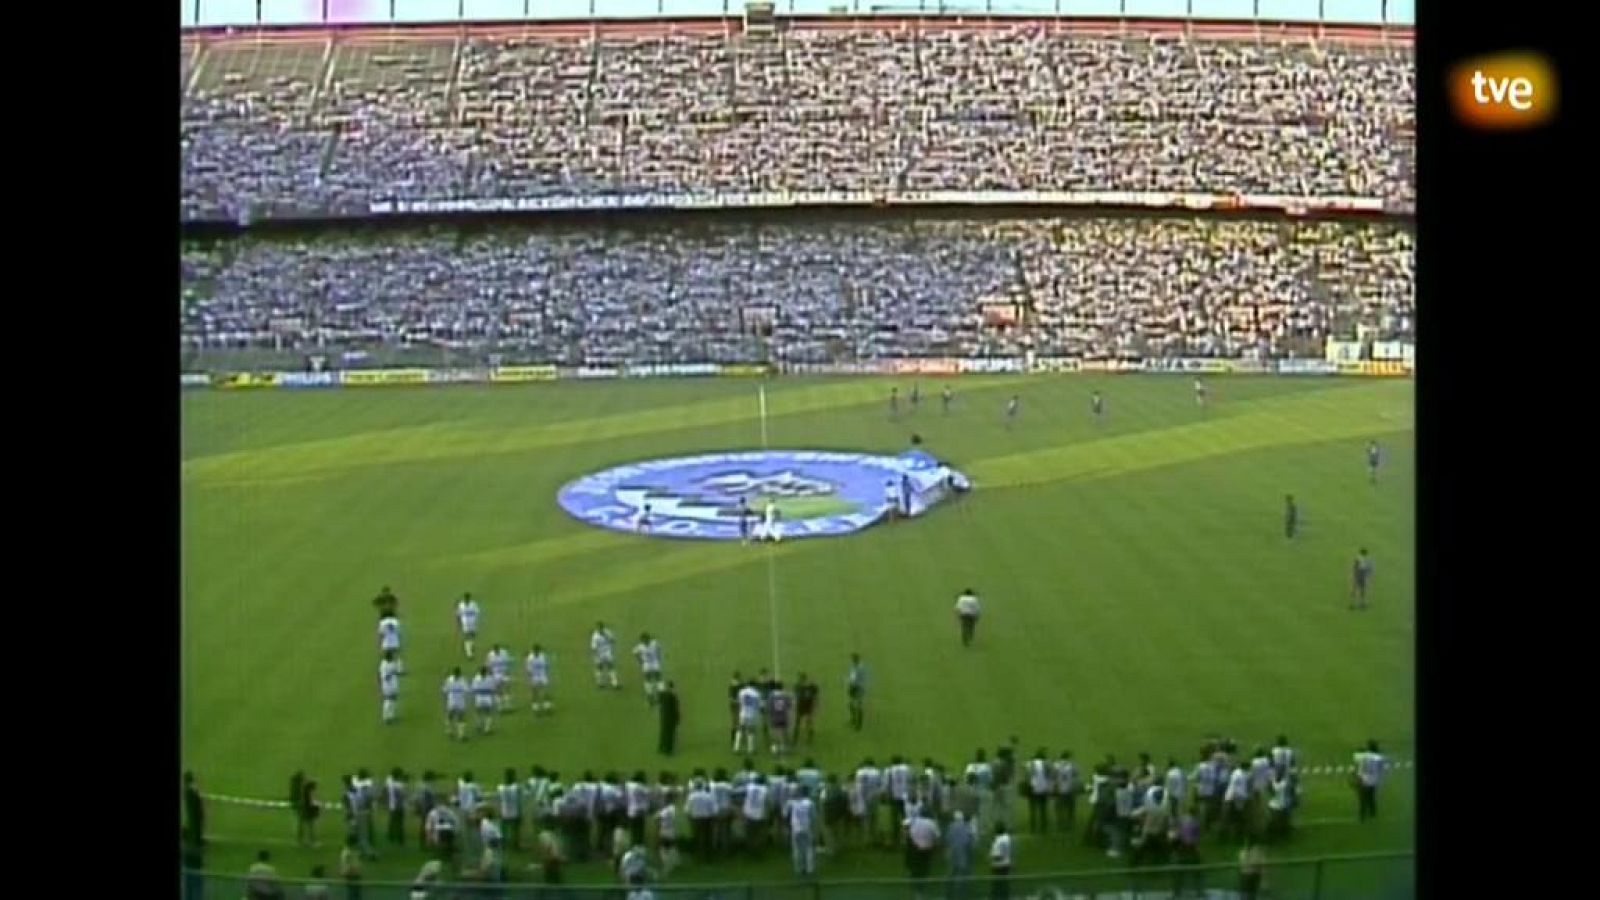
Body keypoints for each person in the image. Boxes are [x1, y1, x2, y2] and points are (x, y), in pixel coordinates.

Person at [1353, 740, 1386, 821]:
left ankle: (1362, 815)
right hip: (1373, 780)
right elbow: (1380, 768)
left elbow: (1357, 759)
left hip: (1364, 780)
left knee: (1363, 799)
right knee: (1371, 797)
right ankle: (1372, 813)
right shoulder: (1379, 757)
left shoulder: (1364, 756)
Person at [946, 810, 975, 898]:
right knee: (963, 872)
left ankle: (950, 892)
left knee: (952, 872)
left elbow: (948, 839)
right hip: (963, 852)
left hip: (954, 852)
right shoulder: (966, 826)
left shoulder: (951, 826)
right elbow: (969, 840)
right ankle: (963, 893)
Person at [633, 633, 664, 705]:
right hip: (653, 663)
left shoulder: (640, 646)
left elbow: (635, 653)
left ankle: (650, 696)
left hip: (647, 664)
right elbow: (659, 649)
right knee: (658, 679)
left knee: (649, 680)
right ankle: (659, 695)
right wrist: (658, 657)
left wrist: (640, 661)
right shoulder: (654, 643)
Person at [1053, 752, 1079, 833]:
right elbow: (1076, 773)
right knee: (1070, 809)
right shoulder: (1071, 765)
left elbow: (1052, 775)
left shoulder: (1056, 765)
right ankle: (1070, 825)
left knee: (1059, 809)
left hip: (1059, 790)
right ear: (1068, 757)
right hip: (1069, 790)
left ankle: (1060, 825)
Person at [591, 622, 620, 689]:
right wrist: (596, 655)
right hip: (599, 653)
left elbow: (613, 640)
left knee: (611, 666)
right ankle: (600, 683)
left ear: (603, 627)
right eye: (598, 628)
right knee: (599, 668)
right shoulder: (595, 636)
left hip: (607, 652)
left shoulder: (607, 632)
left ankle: (615, 683)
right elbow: (594, 647)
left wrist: (608, 637)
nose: (599, 629)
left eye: (601, 628)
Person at [988, 824, 1014, 900]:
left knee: (998, 886)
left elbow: (998, 855)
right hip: (1006, 864)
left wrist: (992, 857)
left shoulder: (998, 841)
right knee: (1004, 885)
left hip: (999, 866)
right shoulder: (1007, 838)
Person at [526, 644, 553, 715]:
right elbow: (528, 670)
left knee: (545, 691)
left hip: (542, 675)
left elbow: (547, 666)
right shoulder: (530, 658)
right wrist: (530, 678)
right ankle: (535, 708)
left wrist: (547, 675)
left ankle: (547, 707)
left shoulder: (543, 656)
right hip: (534, 677)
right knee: (535, 692)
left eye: (537, 651)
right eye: (535, 651)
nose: (536, 652)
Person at [443, 668, 468, 741]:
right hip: (460, 702)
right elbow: (466, 690)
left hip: (451, 701)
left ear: (453, 673)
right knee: (461, 719)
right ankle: (461, 735)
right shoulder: (462, 680)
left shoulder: (449, 679)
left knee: (450, 717)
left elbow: (444, 690)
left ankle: (449, 730)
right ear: (460, 673)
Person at [793, 673, 818, 745]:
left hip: (804, 706)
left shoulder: (800, 687)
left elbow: (814, 697)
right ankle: (800, 736)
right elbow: (815, 697)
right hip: (805, 706)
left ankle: (805, 736)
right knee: (803, 721)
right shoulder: (808, 687)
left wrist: (815, 706)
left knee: (804, 721)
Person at [472, 666, 497, 735]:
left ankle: (478, 725)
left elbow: (473, 689)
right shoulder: (489, 679)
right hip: (487, 698)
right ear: (486, 672)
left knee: (478, 712)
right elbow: (493, 689)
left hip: (479, 698)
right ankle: (487, 729)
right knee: (488, 713)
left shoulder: (476, 678)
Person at [183, 771, 205, 849]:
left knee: (195, 826)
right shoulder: (189, 791)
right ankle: (195, 842)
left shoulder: (189, 790)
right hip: (195, 814)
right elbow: (195, 802)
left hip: (195, 814)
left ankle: (196, 840)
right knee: (195, 827)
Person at [385, 769, 407, 847]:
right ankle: (401, 839)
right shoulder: (400, 785)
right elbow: (403, 795)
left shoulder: (389, 781)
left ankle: (391, 836)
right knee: (400, 823)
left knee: (391, 821)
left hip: (391, 805)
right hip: (399, 806)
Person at [455, 592, 480, 659]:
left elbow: (477, 613)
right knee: (467, 637)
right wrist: (459, 624)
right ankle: (469, 654)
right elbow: (458, 615)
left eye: (468, 598)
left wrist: (476, 622)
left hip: (472, 623)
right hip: (465, 624)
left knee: (472, 636)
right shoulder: (461, 605)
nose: (467, 599)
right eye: (466, 598)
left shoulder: (473, 604)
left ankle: (468, 646)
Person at [658, 681, 681, 755]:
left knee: (663, 732)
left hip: (663, 717)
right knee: (670, 734)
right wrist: (678, 718)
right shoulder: (673, 696)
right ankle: (668, 750)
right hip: (671, 718)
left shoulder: (662, 695)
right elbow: (675, 708)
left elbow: (659, 701)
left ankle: (661, 747)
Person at [846, 654, 867, 732]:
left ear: (856, 660)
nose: (851, 661)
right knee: (850, 704)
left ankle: (859, 724)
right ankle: (853, 719)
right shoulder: (854, 666)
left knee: (858, 705)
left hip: (858, 688)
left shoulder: (859, 668)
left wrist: (849, 681)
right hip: (853, 687)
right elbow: (852, 677)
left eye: (853, 660)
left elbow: (854, 679)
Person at [379, 651, 401, 724]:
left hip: (389, 684)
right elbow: (387, 676)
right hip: (389, 685)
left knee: (393, 699)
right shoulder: (389, 665)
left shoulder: (383, 663)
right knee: (388, 700)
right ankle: (386, 717)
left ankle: (390, 716)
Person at [339, 836, 363, 900]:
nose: (357, 845)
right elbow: (347, 865)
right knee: (352, 892)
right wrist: (351, 872)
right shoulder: (347, 853)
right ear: (352, 843)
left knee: (355, 892)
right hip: (351, 874)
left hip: (354, 874)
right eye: (356, 843)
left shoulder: (353, 851)